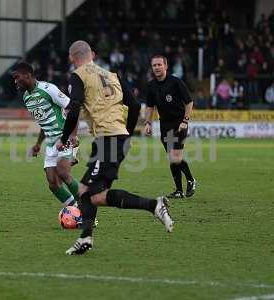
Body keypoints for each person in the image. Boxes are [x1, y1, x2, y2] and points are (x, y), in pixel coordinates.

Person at [57, 41, 173, 255]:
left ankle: (153, 206)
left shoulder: (78, 75)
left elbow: (73, 109)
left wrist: (64, 138)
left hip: (107, 139)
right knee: (95, 195)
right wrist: (127, 135)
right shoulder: (112, 75)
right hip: (117, 137)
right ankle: (86, 238)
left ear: (73, 57)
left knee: (84, 190)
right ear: (90, 54)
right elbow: (136, 105)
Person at [12, 62, 81, 207]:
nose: (15, 81)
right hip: (51, 142)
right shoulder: (26, 97)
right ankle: (74, 209)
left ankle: (87, 209)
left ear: (28, 75)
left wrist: (73, 135)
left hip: (65, 136)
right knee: (53, 183)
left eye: (17, 77)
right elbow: (43, 122)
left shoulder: (48, 89)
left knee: (63, 172)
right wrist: (38, 144)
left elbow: (72, 108)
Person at [145, 55, 196, 199]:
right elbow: (149, 106)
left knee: (175, 157)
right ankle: (179, 191)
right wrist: (148, 123)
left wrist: (185, 121)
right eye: (154, 65)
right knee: (172, 158)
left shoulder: (175, 82)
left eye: (159, 65)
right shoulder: (151, 86)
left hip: (179, 123)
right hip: (164, 124)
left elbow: (189, 102)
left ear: (166, 66)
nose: (156, 67)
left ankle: (191, 180)